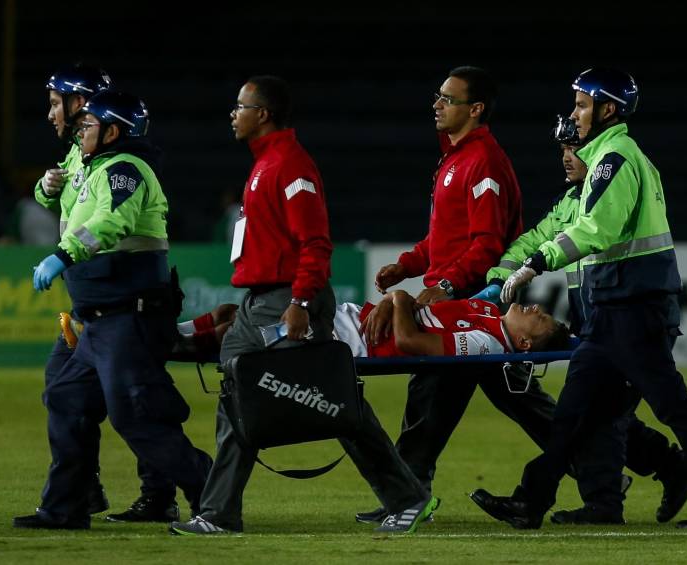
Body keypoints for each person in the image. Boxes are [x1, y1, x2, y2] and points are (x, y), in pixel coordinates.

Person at [169, 75, 436, 536]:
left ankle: (407, 497)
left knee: (332, 399)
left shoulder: (290, 166)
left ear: (263, 114)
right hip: (258, 304)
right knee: (236, 396)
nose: (233, 114)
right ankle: (218, 514)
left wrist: (300, 301)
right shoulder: (265, 164)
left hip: (287, 301)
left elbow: (315, 243)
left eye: (241, 106)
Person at [470, 68, 687, 529]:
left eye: (581, 105)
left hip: (634, 310)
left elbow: (598, 230)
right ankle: (532, 502)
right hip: (616, 311)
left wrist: (537, 262)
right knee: (574, 415)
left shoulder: (615, 159)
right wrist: (516, 267)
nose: (575, 114)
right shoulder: (611, 159)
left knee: (670, 410)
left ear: (608, 108)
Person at [357, 66, 554, 523]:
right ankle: (602, 469)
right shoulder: (456, 160)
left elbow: (486, 244)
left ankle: (408, 494)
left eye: (448, 98)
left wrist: (444, 285)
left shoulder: (483, 162)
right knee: (496, 395)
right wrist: (407, 265)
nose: (437, 104)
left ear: (476, 108)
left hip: (472, 300)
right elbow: (443, 240)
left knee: (441, 393)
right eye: (438, 96)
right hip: (459, 296)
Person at [13, 91, 212, 530]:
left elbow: (110, 223)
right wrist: (47, 190)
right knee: (66, 399)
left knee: (135, 415)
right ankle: (65, 508)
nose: (80, 131)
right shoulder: (94, 165)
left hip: (128, 318)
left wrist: (62, 256)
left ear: (112, 131)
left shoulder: (125, 170)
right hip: (99, 321)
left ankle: (212, 494)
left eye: (88, 126)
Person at [173, 292, 570, 361]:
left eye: (540, 317)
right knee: (230, 310)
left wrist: (396, 298)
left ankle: (166, 347)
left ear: (523, 342)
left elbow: (409, 341)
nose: (536, 307)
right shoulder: (485, 310)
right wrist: (396, 301)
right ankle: (172, 334)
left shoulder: (488, 344)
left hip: (350, 340)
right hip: (351, 318)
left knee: (235, 331)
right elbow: (418, 306)